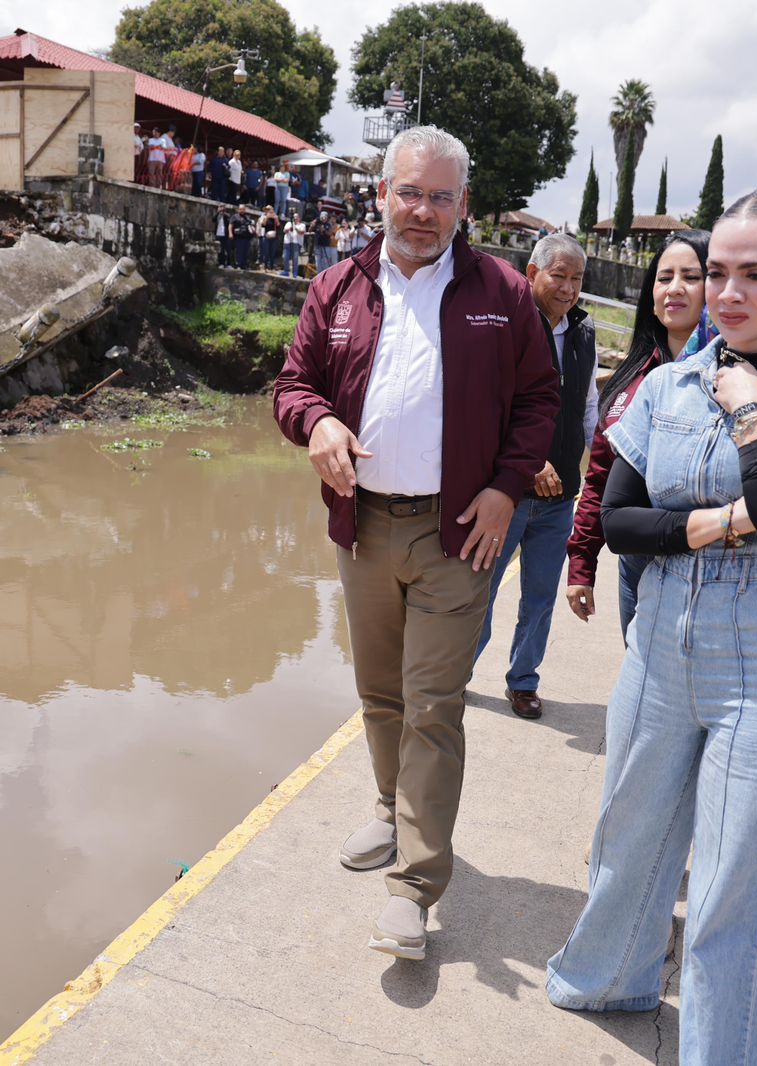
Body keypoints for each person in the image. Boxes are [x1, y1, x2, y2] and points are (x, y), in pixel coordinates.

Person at [546, 188, 757, 1066]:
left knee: (739, 884)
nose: (727, 293)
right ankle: (608, 977)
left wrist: (751, 415)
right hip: (658, 646)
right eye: (718, 272)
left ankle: (721, 1050)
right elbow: (621, 523)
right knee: (631, 835)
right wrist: (726, 520)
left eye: (755, 274)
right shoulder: (665, 384)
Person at [274, 125, 558, 963]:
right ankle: (389, 804)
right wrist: (318, 421)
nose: (423, 211)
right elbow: (292, 385)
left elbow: (541, 398)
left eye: (441, 197)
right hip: (361, 529)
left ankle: (414, 886)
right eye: (410, 192)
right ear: (381, 194)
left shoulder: (501, 293)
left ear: (463, 205)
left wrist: (507, 488)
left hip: (455, 533)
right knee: (379, 693)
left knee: (434, 704)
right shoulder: (336, 287)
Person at [474, 233, 595, 720]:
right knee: (478, 592)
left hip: (560, 497)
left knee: (541, 594)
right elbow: (486, 408)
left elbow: (588, 408)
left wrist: (598, 468)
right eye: (558, 275)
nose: (568, 288)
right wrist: (528, 462)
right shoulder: (505, 328)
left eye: (576, 279)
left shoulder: (583, 334)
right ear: (531, 273)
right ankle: (454, 673)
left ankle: (523, 681)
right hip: (507, 494)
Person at [565, 231, 709, 641]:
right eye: (664, 278)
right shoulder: (630, 379)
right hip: (634, 564)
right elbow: (598, 478)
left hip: (705, 569)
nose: (674, 289)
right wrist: (582, 565)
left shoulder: (738, 378)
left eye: (691, 276)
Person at [257, 206, 281, 274]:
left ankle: (271, 267)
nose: (271, 213)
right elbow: (263, 225)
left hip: (274, 237)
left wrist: (276, 219)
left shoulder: (275, 218)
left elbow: (279, 227)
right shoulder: (265, 217)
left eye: (272, 212)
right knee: (266, 252)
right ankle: (265, 267)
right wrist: (267, 217)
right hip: (267, 237)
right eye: (269, 212)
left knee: (272, 253)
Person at [281, 209, 304, 277]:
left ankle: (295, 273)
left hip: (296, 243)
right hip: (287, 242)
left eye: (296, 217)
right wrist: (289, 228)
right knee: (285, 256)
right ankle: (286, 271)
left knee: (295, 258)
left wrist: (295, 228)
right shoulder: (288, 223)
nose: (295, 218)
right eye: (294, 217)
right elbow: (284, 231)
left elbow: (302, 232)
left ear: (299, 218)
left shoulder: (302, 225)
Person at [313, 211, 336, 275]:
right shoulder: (317, 224)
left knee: (325, 261)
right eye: (322, 217)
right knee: (318, 261)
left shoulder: (328, 225)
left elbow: (330, 234)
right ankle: (319, 275)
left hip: (325, 245)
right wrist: (314, 222)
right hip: (318, 245)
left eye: (325, 217)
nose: (323, 218)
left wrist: (324, 230)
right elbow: (310, 229)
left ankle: (325, 275)